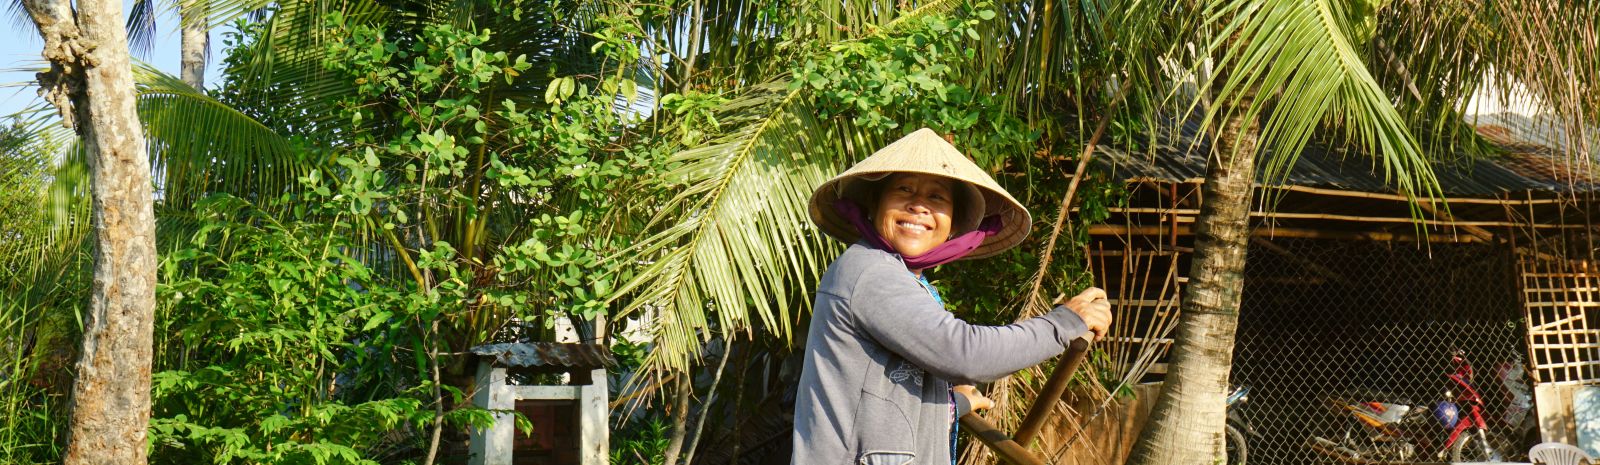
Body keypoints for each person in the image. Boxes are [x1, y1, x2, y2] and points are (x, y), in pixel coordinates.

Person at [792, 128, 1112, 465]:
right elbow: (965, 353)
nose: (918, 206)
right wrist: (1064, 323)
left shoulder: (901, 277)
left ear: (952, 222)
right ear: (875, 205)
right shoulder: (870, 272)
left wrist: (953, 405)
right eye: (904, 190)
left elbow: (878, 398)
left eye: (937, 197)